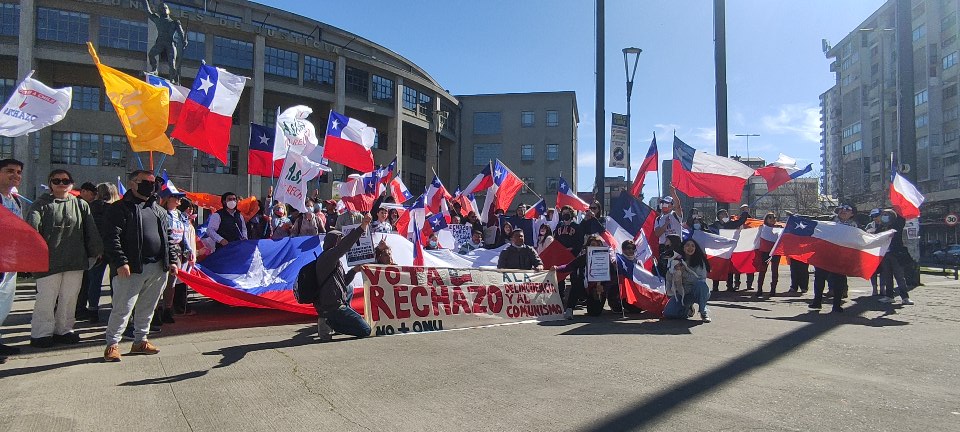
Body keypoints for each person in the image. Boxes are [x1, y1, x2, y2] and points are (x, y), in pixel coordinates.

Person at [102, 170, 176, 362]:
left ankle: (140, 341)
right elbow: (111, 238)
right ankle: (112, 344)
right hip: (131, 268)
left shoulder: (158, 210)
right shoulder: (119, 208)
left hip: (158, 267)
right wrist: (120, 261)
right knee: (122, 308)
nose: (151, 186)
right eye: (146, 182)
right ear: (133, 183)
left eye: (153, 183)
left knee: (148, 307)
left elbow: (168, 237)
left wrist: (173, 260)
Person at [26, 169, 103, 347]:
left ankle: (64, 330)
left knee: (69, 299)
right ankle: (41, 334)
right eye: (57, 180)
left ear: (71, 183)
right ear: (51, 183)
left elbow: (91, 230)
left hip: (74, 260)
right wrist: (31, 257)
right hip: (48, 262)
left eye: (65, 180)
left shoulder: (81, 204)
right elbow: (32, 231)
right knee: (46, 299)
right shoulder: (40, 204)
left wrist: (97, 251)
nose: (61, 183)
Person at [312, 214, 373, 341]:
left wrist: (354, 270)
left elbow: (343, 281)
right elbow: (345, 245)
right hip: (332, 307)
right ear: (335, 243)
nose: (342, 242)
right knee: (366, 330)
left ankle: (337, 320)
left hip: (332, 302)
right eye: (340, 240)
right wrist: (362, 227)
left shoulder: (332, 260)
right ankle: (331, 323)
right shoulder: (328, 256)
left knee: (349, 288)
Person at [80, 182, 121, 323]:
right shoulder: (117, 209)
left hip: (96, 250)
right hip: (114, 249)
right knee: (115, 281)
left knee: (94, 281)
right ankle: (115, 308)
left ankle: (93, 310)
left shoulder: (90, 208)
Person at [554, 234, 618, 318]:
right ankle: (569, 309)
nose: (595, 247)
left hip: (598, 289)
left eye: (598, 245)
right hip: (584, 287)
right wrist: (556, 268)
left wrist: (604, 287)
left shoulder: (606, 259)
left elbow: (613, 277)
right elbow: (569, 266)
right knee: (576, 285)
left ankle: (593, 304)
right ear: (588, 246)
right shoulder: (584, 257)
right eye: (593, 245)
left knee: (594, 313)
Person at [810, 204, 857, 313]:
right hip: (825, 254)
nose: (843, 211)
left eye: (847, 210)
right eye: (841, 209)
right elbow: (813, 220)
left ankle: (836, 305)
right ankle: (817, 302)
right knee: (819, 278)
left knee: (839, 281)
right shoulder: (829, 220)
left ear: (852, 214)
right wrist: (796, 216)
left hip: (840, 257)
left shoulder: (854, 226)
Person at [0, 159, 24, 360]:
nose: (15, 175)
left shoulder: (15, 200)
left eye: (18, 172)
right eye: (10, 171)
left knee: (4, 303)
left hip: (10, 261)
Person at [158, 186, 193, 324]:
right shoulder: (161, 213)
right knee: (159, 282)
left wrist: (188, 249)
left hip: (177, 251)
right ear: (167, 198)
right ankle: (156, 309)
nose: (179, 200)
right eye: (176, 197)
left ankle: (167, 308)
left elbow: (184, 234)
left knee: (171, 283)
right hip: (162, 251)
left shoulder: (180, 215)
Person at [663, 239, 712, 322]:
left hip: (696, 291)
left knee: (701, 285)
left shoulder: (700, 261)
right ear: (683, 247)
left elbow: (699, 279)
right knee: (668, 314)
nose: (690, 248)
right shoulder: (675, 260)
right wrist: (673, 271)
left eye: (693, 246)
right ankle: (687, 309)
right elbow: (669, 279)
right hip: (682, 293)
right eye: (687, 245)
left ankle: (703, 311)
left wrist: (683, 273)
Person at [144, 0, 187, 83]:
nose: (164, 9)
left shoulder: (174, 23)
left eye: (165, 8)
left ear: (168, 10)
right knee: (151, 55)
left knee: (172, 64)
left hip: (170, 44)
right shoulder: (157, 19)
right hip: (160, 43)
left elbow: (181, 34)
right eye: (162, 8)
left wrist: (184, 40)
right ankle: (155, 70)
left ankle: (173, 80)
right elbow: (148, 11)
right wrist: (144, 2)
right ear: (159, 11)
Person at [878, 209, 915, 305]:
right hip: (885, 255)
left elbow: (901, 220)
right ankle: (889, 296)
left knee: (899, 276)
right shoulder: (881, 227)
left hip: (896, 255)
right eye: (883, 215)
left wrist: (898, 207)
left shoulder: (897, 225)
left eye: (887, 215)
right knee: (887, 276)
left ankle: (905, 297)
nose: (884, 216)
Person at [708, 207, 750, 292]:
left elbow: (740, 221)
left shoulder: (730, 224)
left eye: (726, 214)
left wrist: (745, 212)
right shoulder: (713, 226)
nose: (725, 215)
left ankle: (729, 286)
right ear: (719, 216)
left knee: (729, 267)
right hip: (718, 251)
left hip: (728, 251)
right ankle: (715, 286)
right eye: (723, 214)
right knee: (717, 268)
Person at [653, 193, 684, 276]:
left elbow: (678, 206)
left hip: (676, 246)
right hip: (664, 247)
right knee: (664, 271)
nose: (664, 205)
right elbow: (657, 233)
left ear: (671, 205)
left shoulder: (675, 215)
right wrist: (665, 225)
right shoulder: (658, 219)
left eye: (666, 203)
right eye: (662, 203)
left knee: (677, 270)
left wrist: (673, 192)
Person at [755, 212, 780, 298]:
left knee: (775, 271)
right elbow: (756, 238)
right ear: (766, 219)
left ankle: (773, 290)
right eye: (770, 217)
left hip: (775, 252)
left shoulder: (779, 228)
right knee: (763, 271)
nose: (772, 219)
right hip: (765, 252)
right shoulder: (762, 228)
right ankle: (759, 289)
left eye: (774, 217)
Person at [864, 208, 883, 296]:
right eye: (873, 217)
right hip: (872, 252)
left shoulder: (886, 224)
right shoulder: (869, 226)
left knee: (884, 271)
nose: (875, 218)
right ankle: (874, 288)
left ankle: (883, 289)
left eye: (876, 216)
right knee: (873, 271)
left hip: (883, 251)